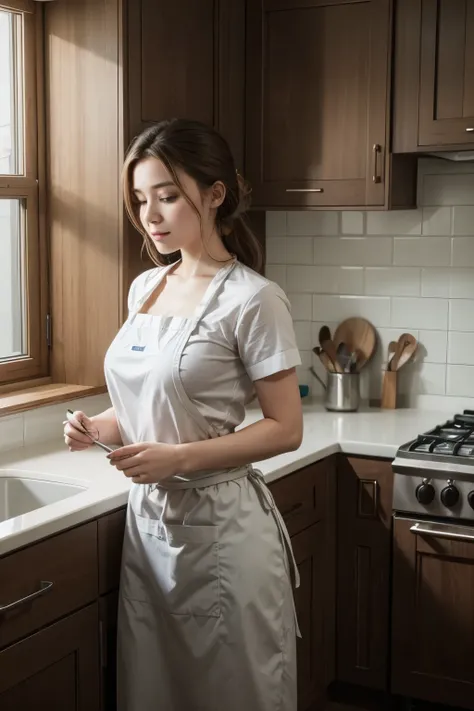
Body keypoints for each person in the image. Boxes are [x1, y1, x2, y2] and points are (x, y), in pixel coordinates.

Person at [64, 118, 303, 711]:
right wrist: (99, 426)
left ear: (215, 193)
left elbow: (286, 428)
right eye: (141, 200)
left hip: (222, 527)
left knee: (231, 691)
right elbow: (143, 404)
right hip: (150, 529)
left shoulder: (254, 299)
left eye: (168, 197)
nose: (151, 215)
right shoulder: (145, 286)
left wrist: (178, 458)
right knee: (155, 690)